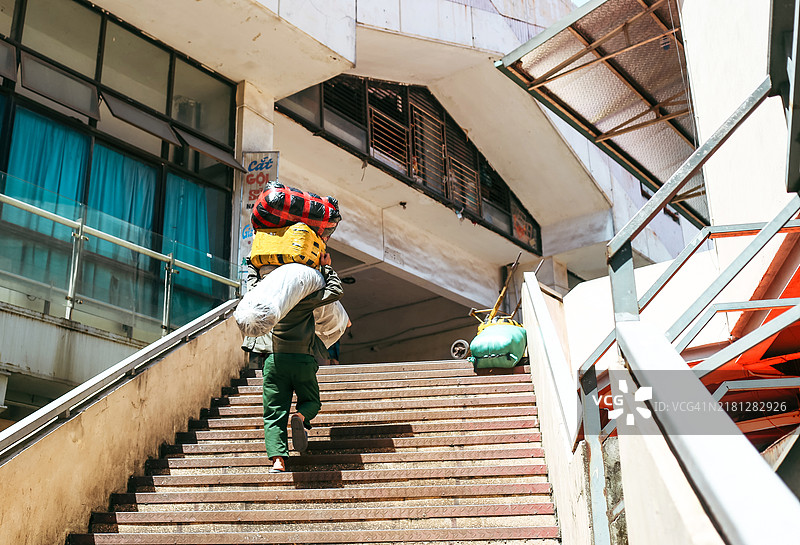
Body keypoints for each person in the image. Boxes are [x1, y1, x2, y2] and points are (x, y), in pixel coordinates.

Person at [262, 253, 343, 473]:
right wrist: (327, 267)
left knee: (273, 412)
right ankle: (300, 416)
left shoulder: (269, 300)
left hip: (275, 360)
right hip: (302, 360)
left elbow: (252, 283)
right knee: (312, 402)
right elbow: (335, 291)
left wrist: (252, 266)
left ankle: (278, 461)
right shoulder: (303, 300)